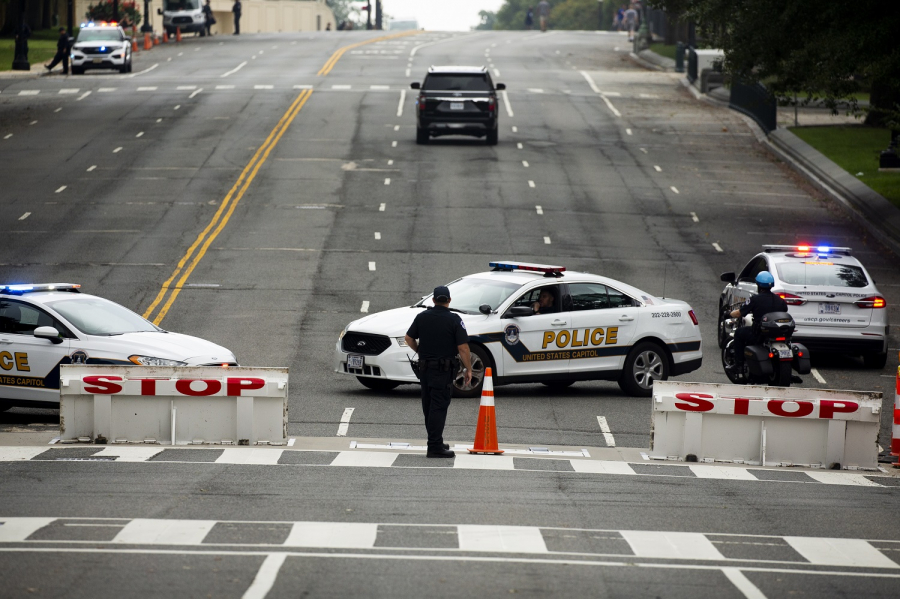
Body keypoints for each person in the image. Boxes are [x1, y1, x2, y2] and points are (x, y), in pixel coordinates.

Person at [404, 286, 473, 459]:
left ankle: (436, 440)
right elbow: (463, 348)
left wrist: (420, 351)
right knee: (439, 407)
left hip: (424, 369)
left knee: (428, 406)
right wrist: (468, 368)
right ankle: (434, 446)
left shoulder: (422, 317)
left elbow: (408, 338)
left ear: (433, 300)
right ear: (449, 300)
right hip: (442, 371)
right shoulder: (454, 320)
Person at [729, 271, 788, 370]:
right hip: (777, 333)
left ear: (758, 285)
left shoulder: (755, 299)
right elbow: (785, 310)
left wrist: (729, 313)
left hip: (759, 334)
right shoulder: (780, 300)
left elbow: (740, 313)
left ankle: (738, 364)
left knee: (739, 333)